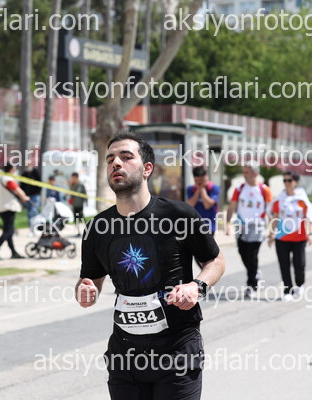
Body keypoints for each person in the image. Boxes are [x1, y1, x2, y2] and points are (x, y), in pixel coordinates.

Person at [76, 131, 225, 399]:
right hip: (125, 355)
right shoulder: (97, 228)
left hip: (177, 351)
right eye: (110, 159)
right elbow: (91, 280)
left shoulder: (178, 215)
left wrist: (197, 286)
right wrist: (85, 290)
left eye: (126, 157)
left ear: (147, 168)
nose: (116, 163)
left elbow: (215, 260)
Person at [267, 171, 312, 301]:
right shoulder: (280, 199)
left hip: (299, 237)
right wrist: (271, 234)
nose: (287, 183)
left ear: (296, 182)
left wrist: (309, 234)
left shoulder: (301, 199)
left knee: (299, 264)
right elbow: (275, 218)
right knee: (284, 265)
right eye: (285, 181)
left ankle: (300, 284)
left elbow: (308, 217)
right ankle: (287, 290)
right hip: (282, 237)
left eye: (289, 180)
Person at [225, 162, 272, 297]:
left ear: (255, 173)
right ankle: (255, 272)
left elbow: (270, 211)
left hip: (257, 226)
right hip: (241, 225)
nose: (244, 175)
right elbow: (232, 207)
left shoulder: (264, 190)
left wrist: (272, 230)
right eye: (244, 172)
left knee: (252, 255)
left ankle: (252, 284)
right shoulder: (239, 189)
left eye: (247, 172)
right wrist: (227, 223)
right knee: (242, 252)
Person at [0, 164, 30, 260]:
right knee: (9, 230)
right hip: (8, 207)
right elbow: (17, 190)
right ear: (12, 169)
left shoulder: (0, 179)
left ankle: (13, 252)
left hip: (1, 207)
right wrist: (25, 197)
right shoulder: (7, 179)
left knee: (8, 230)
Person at [186, 166, 220, 235]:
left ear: (206, 176)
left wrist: (202, 189)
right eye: (197, 180)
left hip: (209, 226)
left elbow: (207, 205)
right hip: (194, 225)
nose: (199, 182)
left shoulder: (214, 188)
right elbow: (190, 205)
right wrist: (198, 190)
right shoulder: (190, 189)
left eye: (201, 180)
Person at [20, 160, 41, 232]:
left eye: (29, 164)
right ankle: (31, 226)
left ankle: (36, 226)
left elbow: (39, 183)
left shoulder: (35, 172)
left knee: (34, 210)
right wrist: (23, 196)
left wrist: (38, 193)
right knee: (29, 211)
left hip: (34, 195)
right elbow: (22, 186)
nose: (27, 166)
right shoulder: (24, 174)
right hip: (27, 196)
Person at [68, 172, 86, 237]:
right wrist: (70, 185)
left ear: (76, 177)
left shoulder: (81, 185)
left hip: (80, 205)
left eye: (73, 177)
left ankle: (88, 231)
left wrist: (84, 202)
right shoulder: (73, 185)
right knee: (76, 219)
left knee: (82, 218)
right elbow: (72, 194)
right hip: (74, 205)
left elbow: (83, 194)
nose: (72, 179)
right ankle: (78, 232)